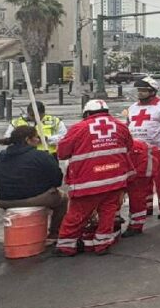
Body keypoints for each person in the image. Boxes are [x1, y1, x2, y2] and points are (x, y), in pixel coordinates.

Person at [54, 99, 134, 256]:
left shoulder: (79, 128)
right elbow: (129, 146)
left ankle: (66, 247)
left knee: (77, 215)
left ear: (87, 113)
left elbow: (62, 153)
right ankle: (102, 245)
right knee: (108, 213)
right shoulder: (120, 126)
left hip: (88, 181)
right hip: (114, 180)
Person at [0, 126, 67, 245]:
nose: (38, 140)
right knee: (63, 199)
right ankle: (54, 234)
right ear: (27, 139)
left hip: (3, 200)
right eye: (36, 137)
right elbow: (57, 180)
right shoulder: (41, 156)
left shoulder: (0, 156)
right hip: (31, 198)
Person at [127, 77, 160, 220]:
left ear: (152, 91)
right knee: (141, 181)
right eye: (139, 90)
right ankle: (145, 207)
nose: (140, 93)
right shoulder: (133, 107)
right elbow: (128, 124)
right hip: (138, 151)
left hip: (158, 149)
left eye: (144, 90)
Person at [121, 139, 160, 237]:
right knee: (138, 194)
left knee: (137, 195)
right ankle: (138, 219)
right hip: (141, 159)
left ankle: (136, 226)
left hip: (142, 163)